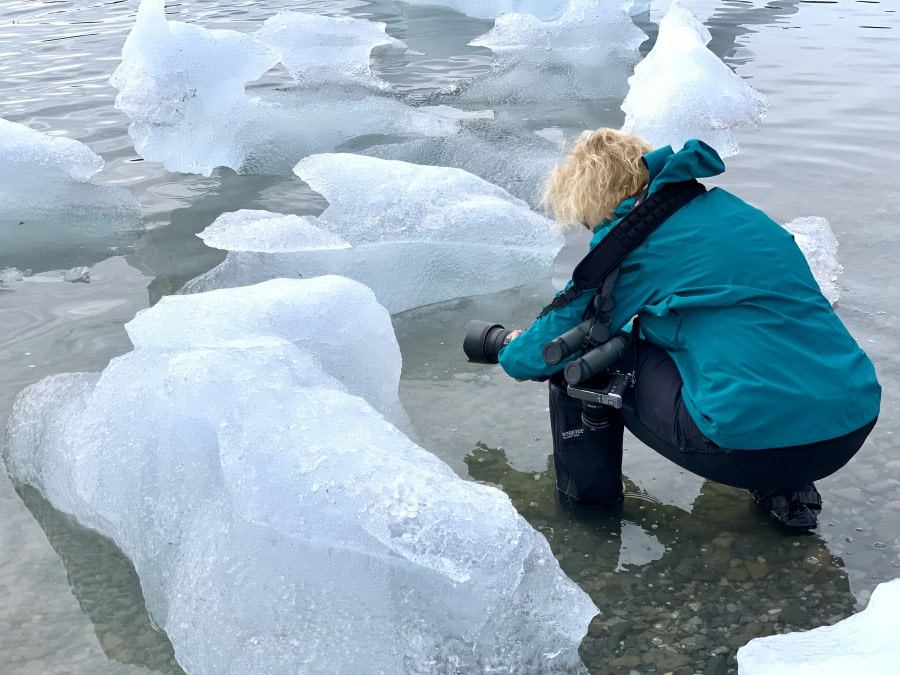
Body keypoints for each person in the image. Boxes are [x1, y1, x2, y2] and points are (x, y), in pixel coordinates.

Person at [497, 128, 881, 530]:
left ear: (594, 197)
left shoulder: (634, 239)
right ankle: (788, 494)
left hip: (749, 448)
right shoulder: (734, 212)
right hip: (849, 423)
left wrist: (508, 346)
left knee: (583, 358)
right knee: (757, 350)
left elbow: (540, 351)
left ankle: (587, 518)